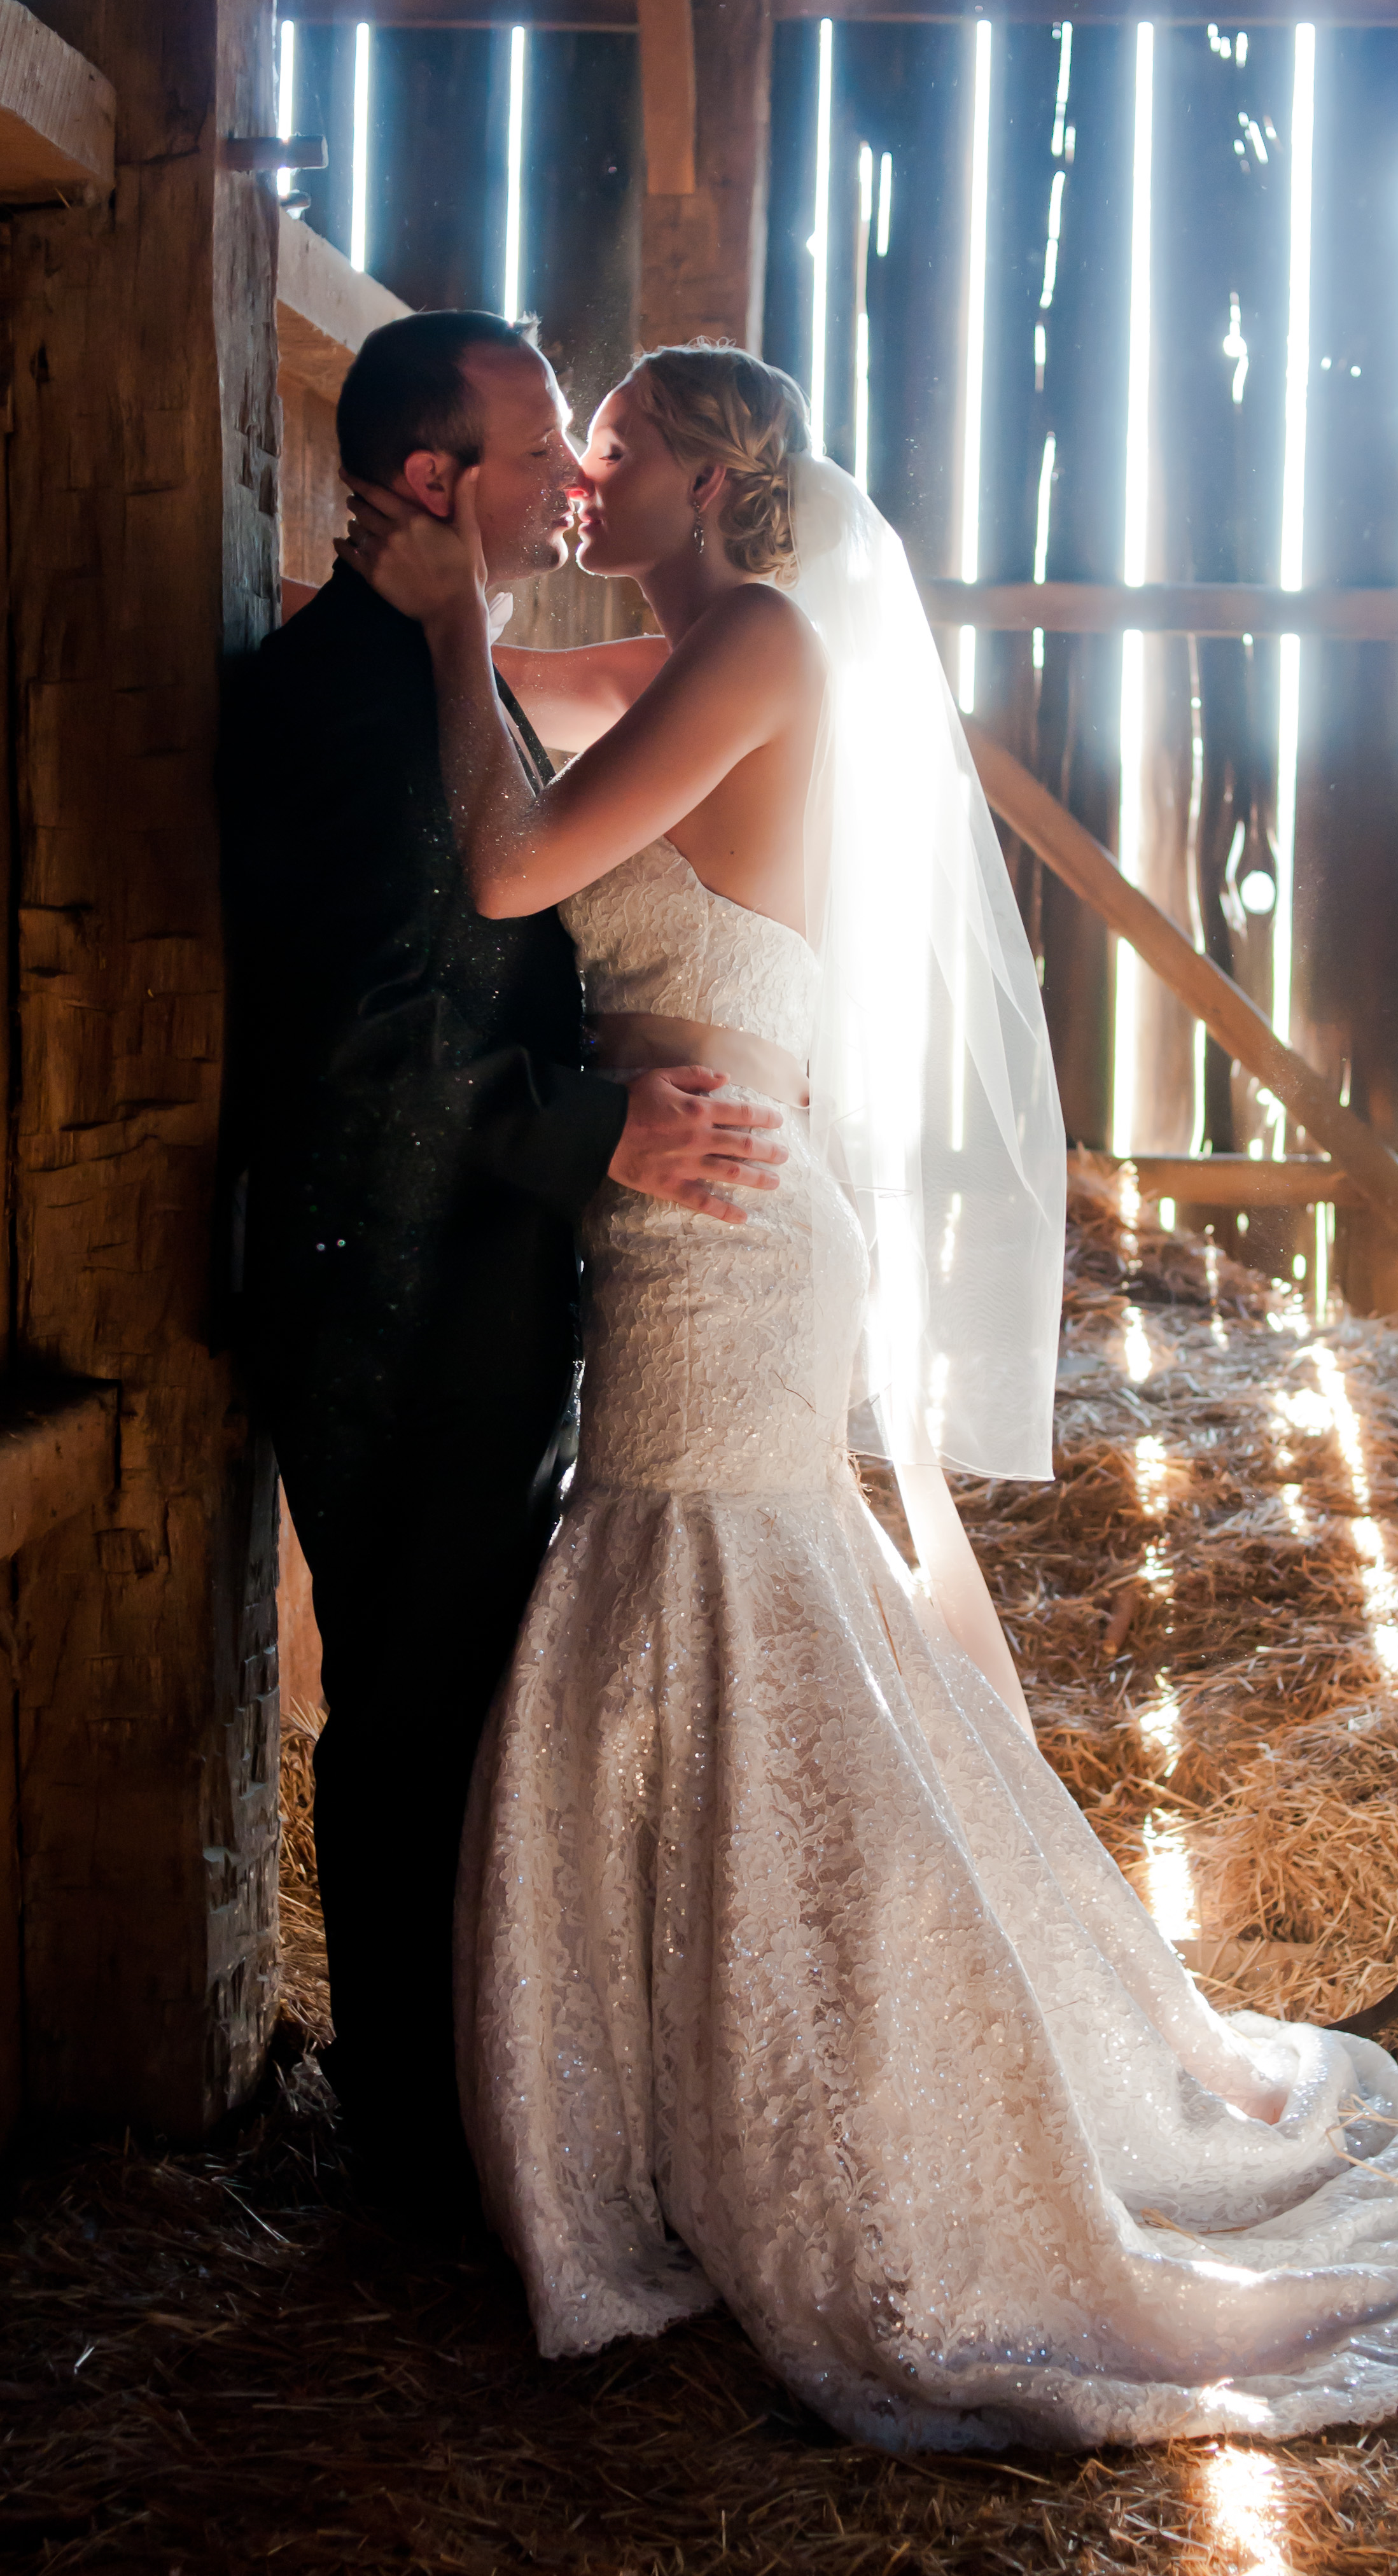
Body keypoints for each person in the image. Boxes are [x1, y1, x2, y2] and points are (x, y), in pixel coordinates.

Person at [339, 341, 1398, 2446]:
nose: (583, 478)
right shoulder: (678, 659)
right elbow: (510, 727)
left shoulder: (756, 647)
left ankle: (893, 2109)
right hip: (672, 1210)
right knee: (715, 1621)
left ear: (711, 479)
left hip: (729, 1229)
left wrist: (457, 614)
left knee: (732, 1624)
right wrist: (428, 606)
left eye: (617, 448)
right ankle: (695, 2098)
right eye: (569, 450)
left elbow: (508, 866)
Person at [221, 312, 786, 2216]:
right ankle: (410, 2164)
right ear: (437, 479)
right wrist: (595, 1131)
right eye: (544, 451)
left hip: (480, 1277)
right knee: (407, 1713)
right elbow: (366, 1039)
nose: (571, 486)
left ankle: (482, 2118)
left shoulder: (435, 666)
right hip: (388, 1293)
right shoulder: (332, 696)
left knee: (466, 1701)